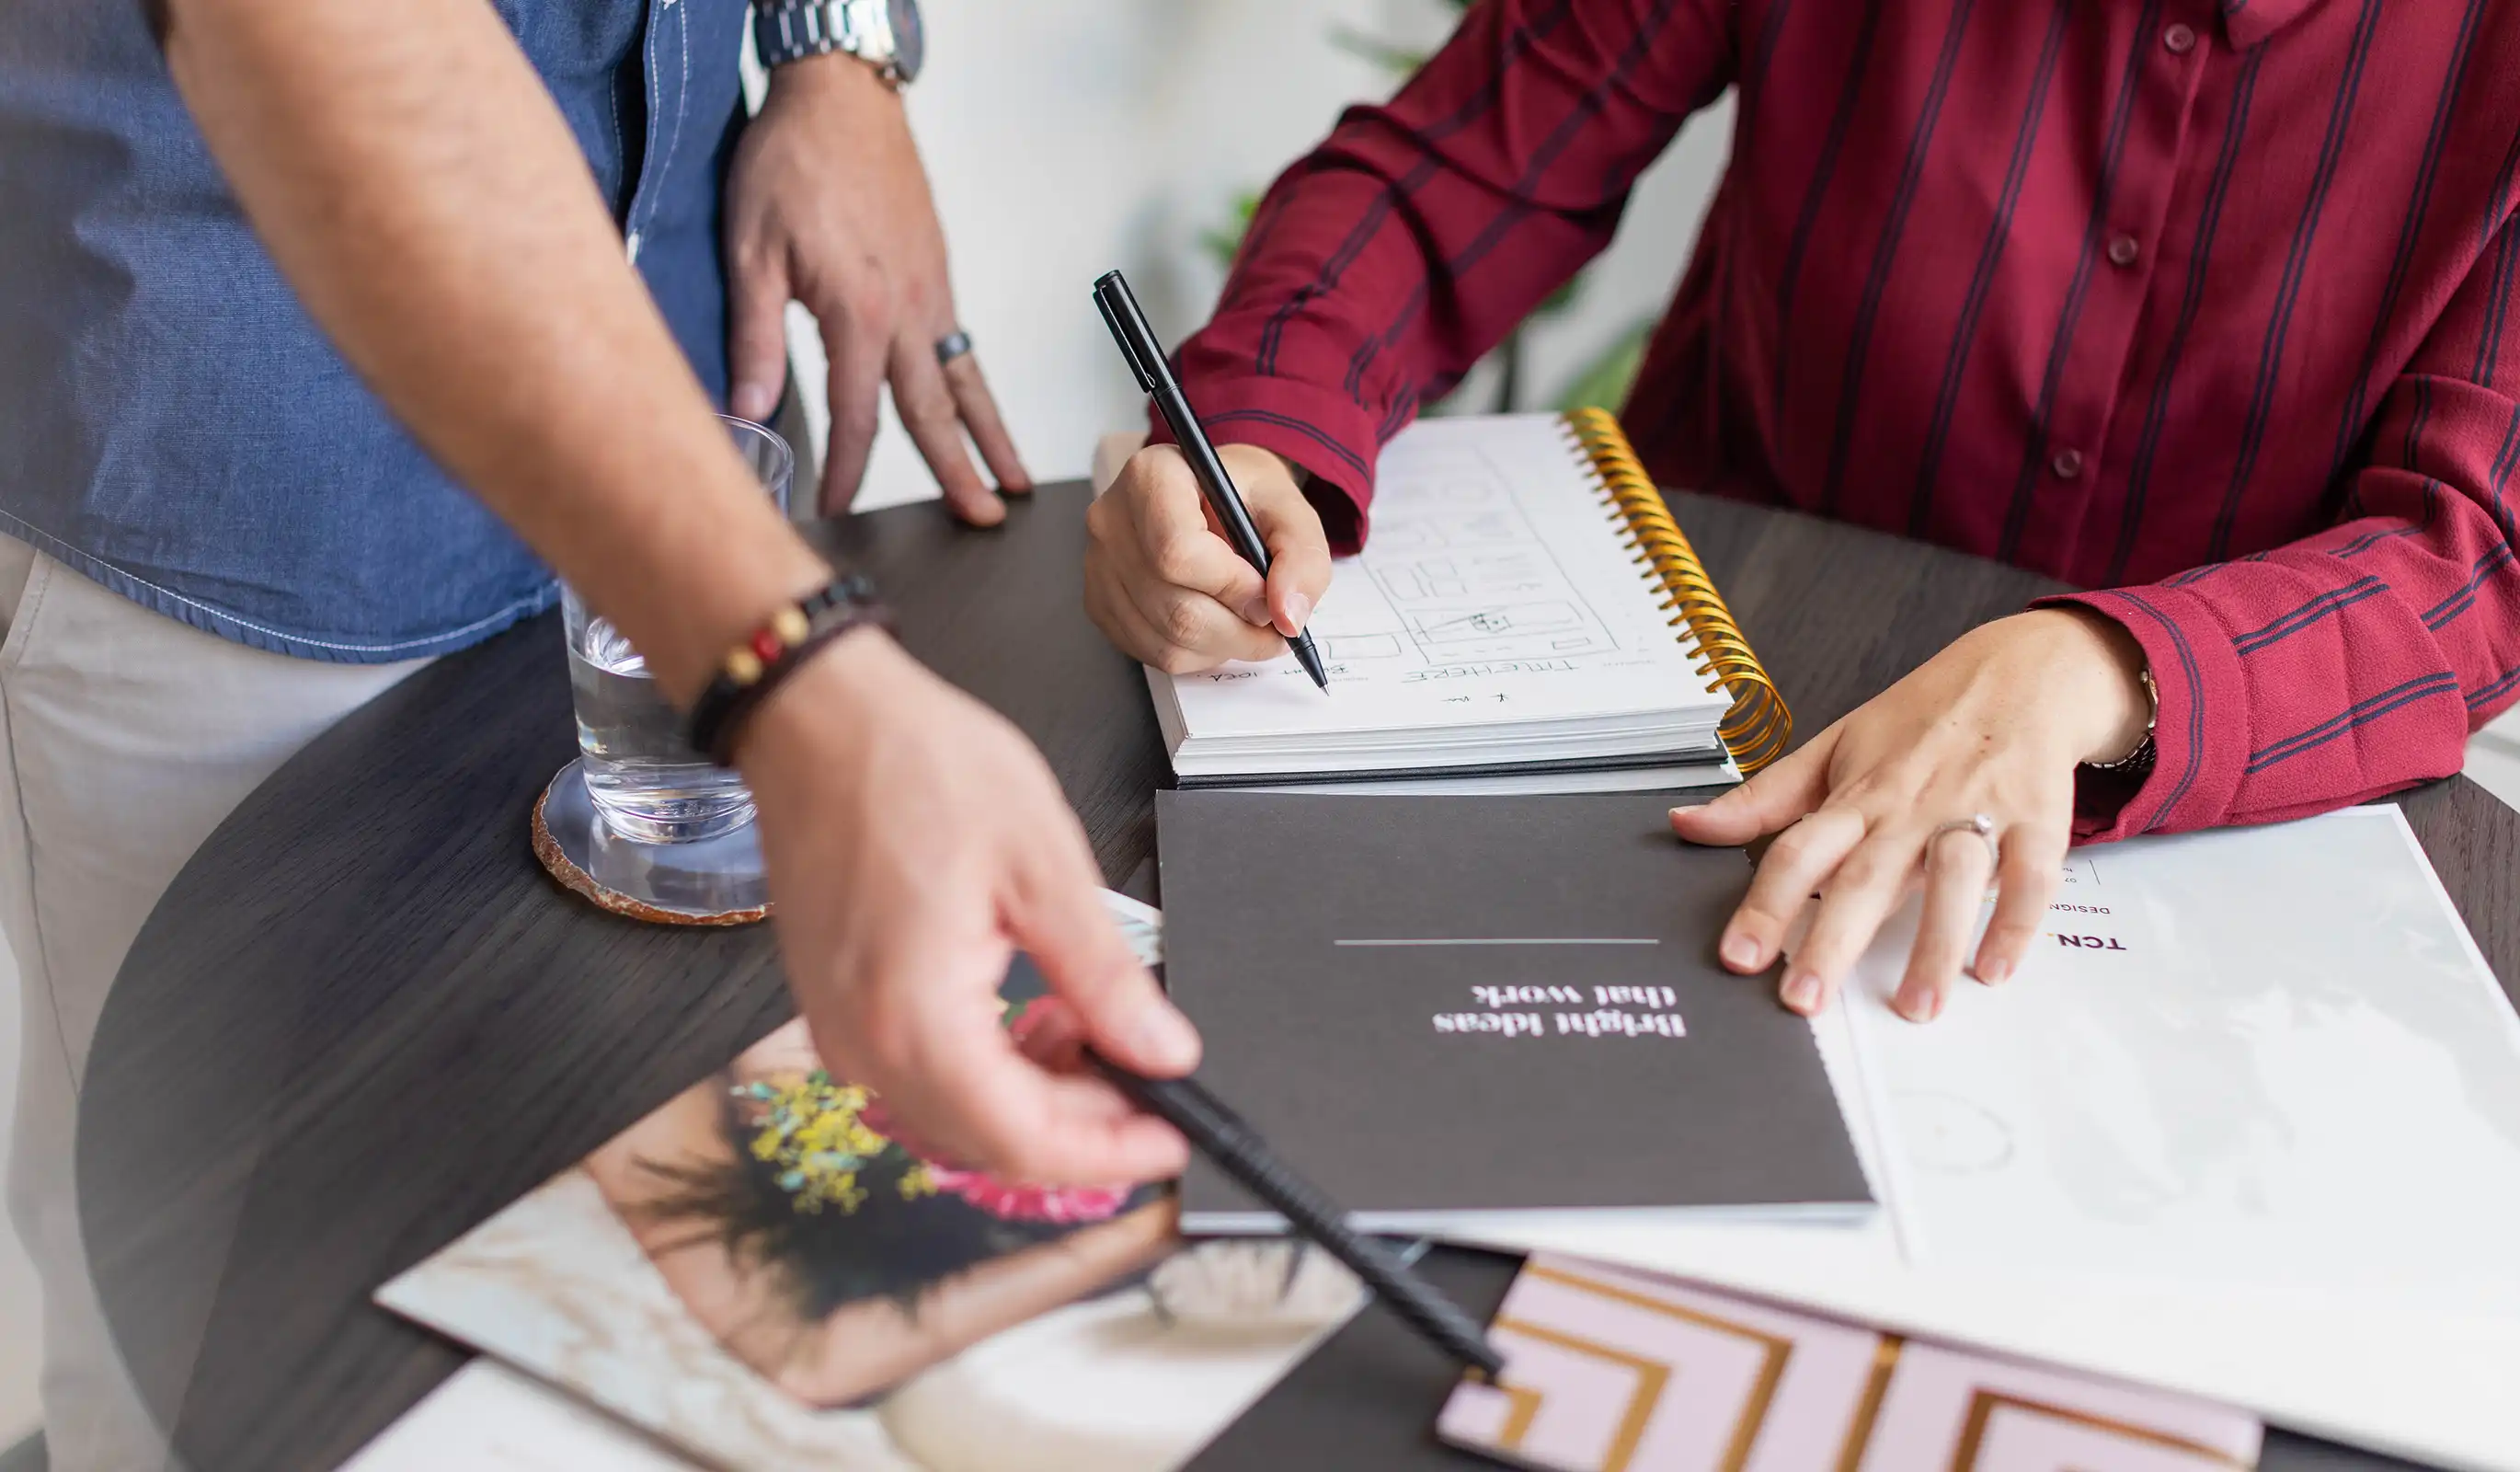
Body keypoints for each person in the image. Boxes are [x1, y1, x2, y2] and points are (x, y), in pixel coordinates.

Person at [0, 0, 1197, 1465]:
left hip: (678, 316)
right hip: (233, 451)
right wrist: (807, 681)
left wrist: (837, 48)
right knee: (205, 1319)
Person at [1088, 0, 2520, 1030]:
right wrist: (1263, 432)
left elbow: (2474, 552)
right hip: (1686, 735)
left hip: (2208, 876)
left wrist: (2100, 667)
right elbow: (1462, 161)